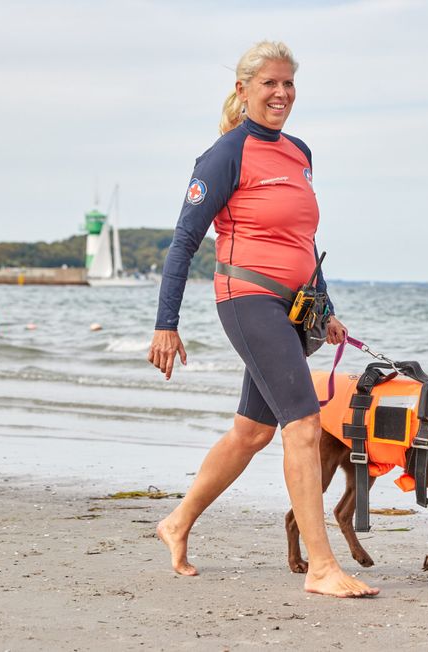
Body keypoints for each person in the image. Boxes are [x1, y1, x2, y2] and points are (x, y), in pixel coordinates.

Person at [147, 41, 378, 598]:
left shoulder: (299, 153)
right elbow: (183, 242)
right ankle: (321, 568)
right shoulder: (225, 155)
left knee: (252, 431)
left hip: (293, 308)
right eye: (269, 84)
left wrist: (326, 311)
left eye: (288, 84)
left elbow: (305, 239)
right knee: (302, 424)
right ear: (243, 90)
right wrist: (166, 323)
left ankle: (176, 523)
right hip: (247, 299)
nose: (280, 94)